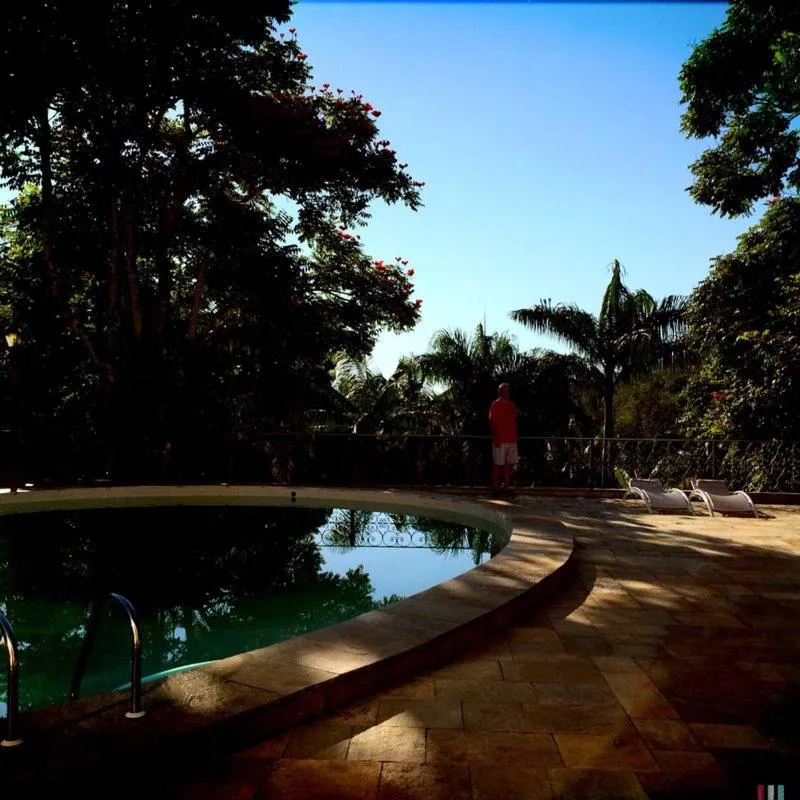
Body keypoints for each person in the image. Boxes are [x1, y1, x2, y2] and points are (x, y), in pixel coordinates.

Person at [489, 383, 518, 491]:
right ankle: (495, 487)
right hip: (500, 440)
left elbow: (514, 420)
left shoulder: (512, 405)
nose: (506, 392)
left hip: (511, 439)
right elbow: (492, 422)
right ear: (500, 392)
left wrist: (515, 438)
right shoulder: (495, 404)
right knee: (497, 463)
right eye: (504, 390)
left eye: (507, 390)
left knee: (508, 464)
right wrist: (495, 437)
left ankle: (506, 486)